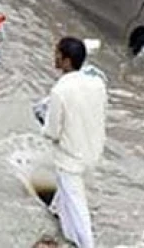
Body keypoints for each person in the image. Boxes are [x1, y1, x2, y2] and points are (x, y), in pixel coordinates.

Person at [40, 37, 109, 248]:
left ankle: (86, 244)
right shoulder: (97, 83)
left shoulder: (60, 91)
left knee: (77, 206)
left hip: (70, 159)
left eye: (58, 54)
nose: (55, 57)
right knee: (68, 194)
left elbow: (51, 132)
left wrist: (42, 118)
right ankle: (58, 210)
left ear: (67, 61)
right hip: (92, 151)